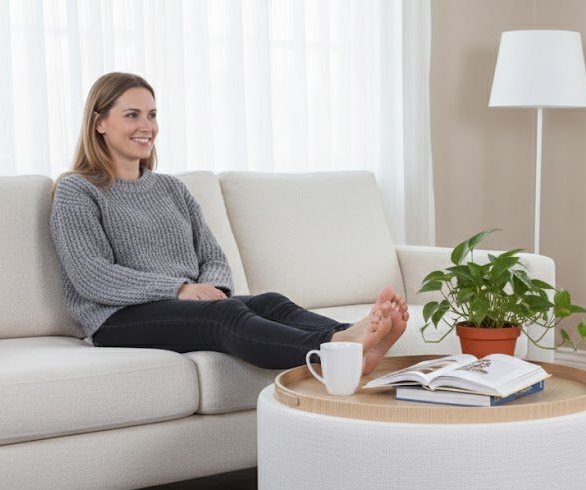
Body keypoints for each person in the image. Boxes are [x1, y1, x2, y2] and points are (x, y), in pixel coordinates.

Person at [50, 72, 408, 372]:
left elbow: (213, 257)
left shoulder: (172, 188)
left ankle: (354, 337)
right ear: (99, 123)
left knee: (269, 302)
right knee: (224, 317)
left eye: (152, 115)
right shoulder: (77, 190)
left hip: (184, 303)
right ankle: (338, 348)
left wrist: (212, 290)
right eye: (132, 115)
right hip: (117, 319)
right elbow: (92, 276)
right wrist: (179, 290)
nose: (147, 126)